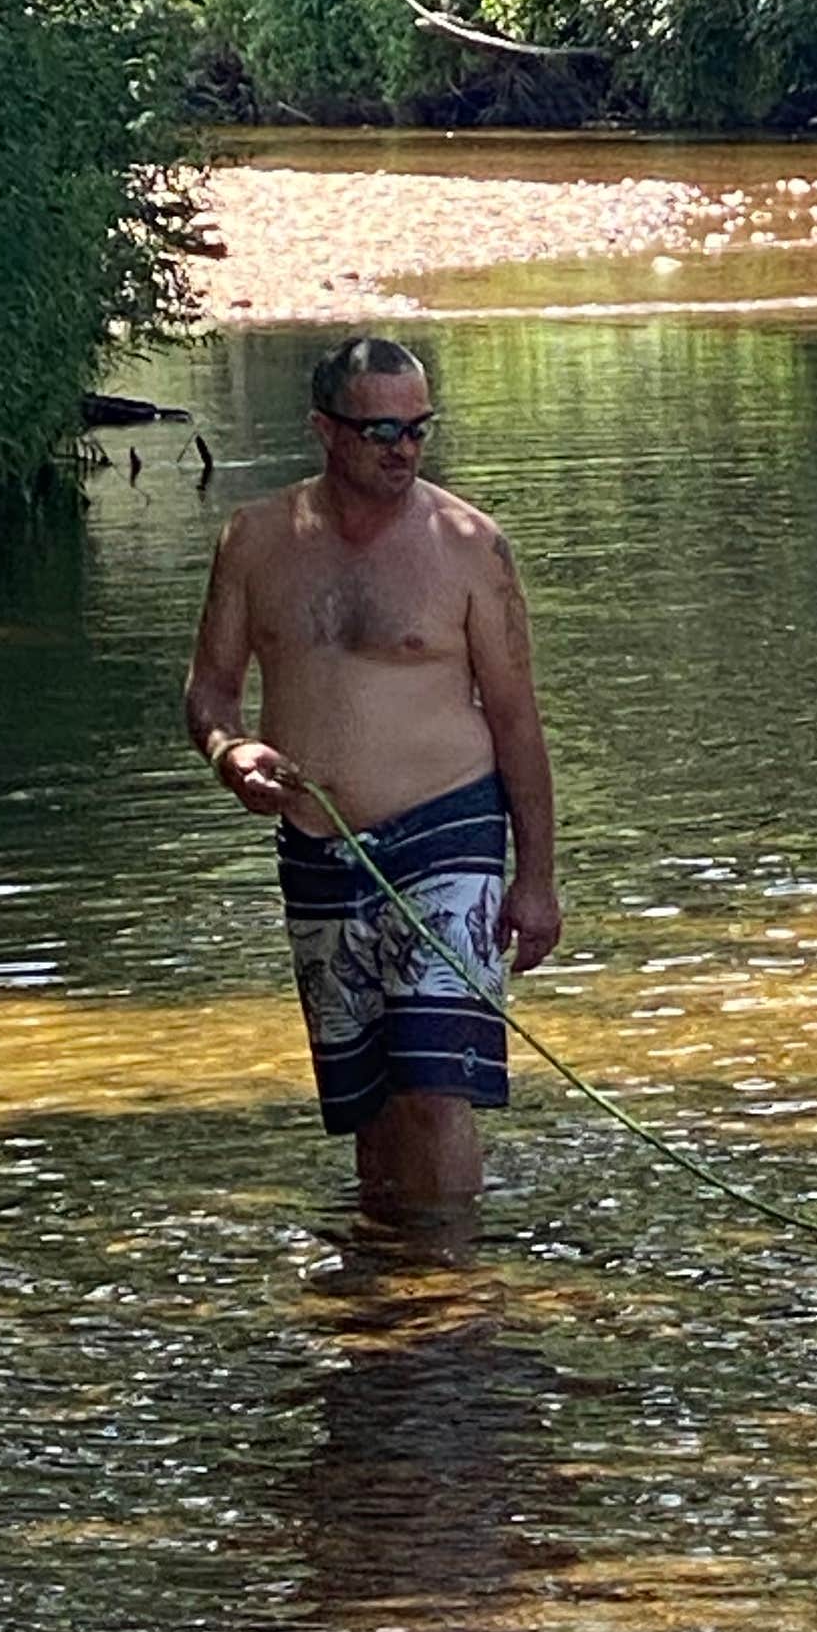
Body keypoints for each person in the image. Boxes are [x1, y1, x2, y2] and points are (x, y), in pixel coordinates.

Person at [184, 334, 560, 1213]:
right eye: (381, 431)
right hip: (321, 851)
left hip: (449, 834)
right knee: (372, 1105)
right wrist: (228, 752)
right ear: (325, 429)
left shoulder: (471, 545)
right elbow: (208, 690)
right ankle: (388, 1305)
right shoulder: (256, 540)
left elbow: (517, 719)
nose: (404, 449)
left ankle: (455, 1302)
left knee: (434, 1090)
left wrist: (536, 880)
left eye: (418, 429)